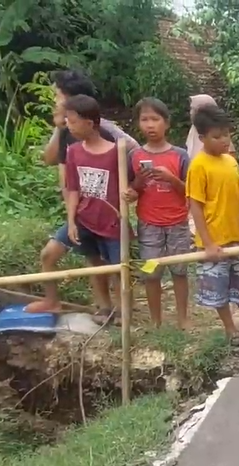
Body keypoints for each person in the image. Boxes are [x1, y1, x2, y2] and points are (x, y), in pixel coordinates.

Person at [36, 70, 136, 314]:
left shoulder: (104, 130)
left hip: (108, 214)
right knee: (90, 259)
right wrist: (60, 128)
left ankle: (122, 310)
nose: (54, 101)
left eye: (57, 96)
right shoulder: (67, 130)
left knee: (114, 265)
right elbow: (49, 158)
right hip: (80, 211)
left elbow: (134, 151)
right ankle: (100, 306)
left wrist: (130, 189)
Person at [188, 104, 239, 346]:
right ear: (202, 138)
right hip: (214, 240)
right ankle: (230, 328)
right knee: (218, 288)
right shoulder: (198, 166)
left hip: (237, 236)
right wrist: (208, 243)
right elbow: (196, 206)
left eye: (226, 135)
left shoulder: (231, 162)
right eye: (216, 136)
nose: (223, 140)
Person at [127, 97, 192, 330]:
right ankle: (156, 321)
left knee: (180, 271)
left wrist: (171, 179)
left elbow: (191, 191)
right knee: (150, 273)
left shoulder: (180, 156)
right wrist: (137, 185)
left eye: (155, 119)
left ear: (167, 123)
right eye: (144, 120)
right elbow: (130, 191)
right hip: (148, 224)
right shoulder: (133, 156)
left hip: (178, 222)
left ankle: (183, 319)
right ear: (138, 124)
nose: (150, 125)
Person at [185, 94, 219, 165]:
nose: (191, 113)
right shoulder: (194, 130)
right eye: (191, 109)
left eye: (194, 109)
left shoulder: (220, 134)